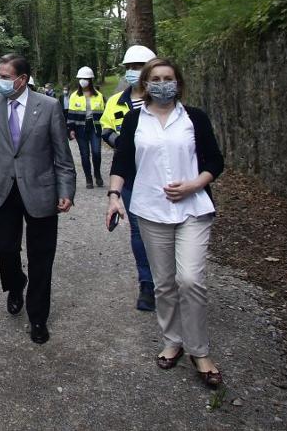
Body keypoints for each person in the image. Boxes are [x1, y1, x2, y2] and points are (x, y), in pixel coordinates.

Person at [105, 58, 225, 389]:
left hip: (193, 209)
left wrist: (194, 185)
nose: (162, 84)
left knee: (190, 279)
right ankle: (173, 340)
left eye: (168, 78)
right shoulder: (133, 120)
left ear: (178, 83)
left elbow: (215, 160)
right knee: (163, 283)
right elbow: (123, 161)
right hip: (151, 209)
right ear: (145, 84)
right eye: (155, 79)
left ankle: (200, 351)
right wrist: (114, 195)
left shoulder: (195, 118)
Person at [0, 53, 75, 344]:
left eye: (5, 76)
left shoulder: (49, 106)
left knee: (42, 256)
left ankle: (38, 317)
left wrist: (66, 190)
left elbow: (62, 156)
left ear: (21, 79)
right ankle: (16, 283)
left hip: (41, 190)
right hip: (1, 189)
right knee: (4, 247)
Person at [100, 44, 158, 311]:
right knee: (138, 230)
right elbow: (105, 128)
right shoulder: (115, 102)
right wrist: (121, 143)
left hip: (161, 176)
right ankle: (147, 283)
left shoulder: (162, 100)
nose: (133, 72)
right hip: (130, 176)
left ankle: (171, 280)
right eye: (130, 68)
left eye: (138, 67)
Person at [66, 66, 106, 188]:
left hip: (95, 127)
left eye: (86, 78)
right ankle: (89, 178)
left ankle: (97, 174)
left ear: (90, 80)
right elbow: (71, 114)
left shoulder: (98, 95)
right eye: (81, 78)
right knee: (84, 154)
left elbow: (103, 113)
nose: (83, 80)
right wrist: (70, 129)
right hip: (80, 128)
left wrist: (105, 128)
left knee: (96, 152)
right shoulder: (74, 96)